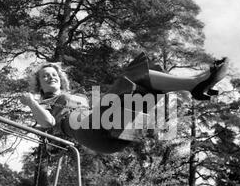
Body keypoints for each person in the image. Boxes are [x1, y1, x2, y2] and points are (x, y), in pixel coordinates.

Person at [20, 52, 228, 154]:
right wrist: (31, 103)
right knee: (133, 76)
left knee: (145, 78)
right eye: (44, 76)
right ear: (39, 84)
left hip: (117, 133)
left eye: (53, 74)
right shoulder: (44, 103)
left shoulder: (78, 97)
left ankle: (194, 85)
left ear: (60, 77)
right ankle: (194, 84)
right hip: (92, 132)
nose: (50, 77)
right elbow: (47, 123)